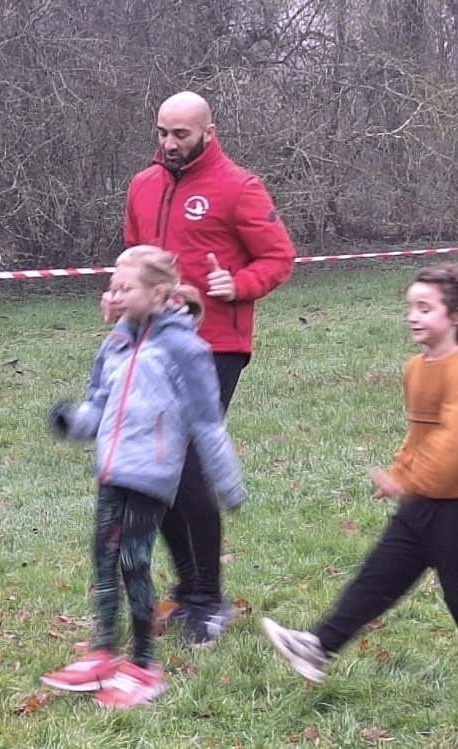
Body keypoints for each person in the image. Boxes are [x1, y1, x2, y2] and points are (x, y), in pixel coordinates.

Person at [260, 264, 458, 709]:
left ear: (457, 316)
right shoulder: (416, 368)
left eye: (425, 308)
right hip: (422, 499)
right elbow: (420, 435)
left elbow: (456, 439)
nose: (413, 316)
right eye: (411, 307)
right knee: (378, 576)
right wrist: (401, 474)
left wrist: (411, 481)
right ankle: (319, 645)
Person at [123, 90, 296, 647]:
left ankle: (209, 599)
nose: (170, 144)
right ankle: (190, 589)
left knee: (187, 464)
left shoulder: (239, 187)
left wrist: (238, 284)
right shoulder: (142, 186)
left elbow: (279, 257)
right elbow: (134, 258)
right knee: (156, 467)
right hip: (153, 345)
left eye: (181, 134)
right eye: (163, 133)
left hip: (216, 343)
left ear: (207, 132)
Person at [41, 246, 246, 709]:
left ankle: (144, 666)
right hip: (112, 470)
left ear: (157, 293)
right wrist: (72, 421)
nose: (113, 295)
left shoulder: (185, 349)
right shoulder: (115, 343)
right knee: (104, 559)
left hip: (152, 475)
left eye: (125, 287)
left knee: (134, 564)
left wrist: (228, 483)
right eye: (113, 286)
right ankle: (104, 653)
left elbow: (208, 423)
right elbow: (99, 404)